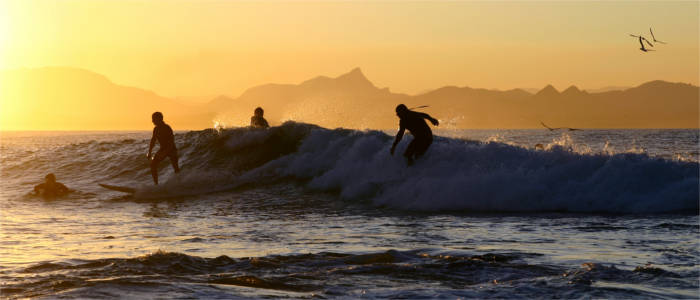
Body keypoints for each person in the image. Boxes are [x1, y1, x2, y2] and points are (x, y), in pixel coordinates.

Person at [147, 112, 180, 185]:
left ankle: (179, 184)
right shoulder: (155, 129)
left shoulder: (167, 128)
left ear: (159, 119)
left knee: (176, 168)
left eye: (154, 119)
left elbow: (171, 141)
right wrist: (149, 152)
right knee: (153, 164)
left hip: (171, 149)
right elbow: (153, 140)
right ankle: (156, 185)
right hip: (163, 149)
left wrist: (166, 152)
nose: (152, 121)